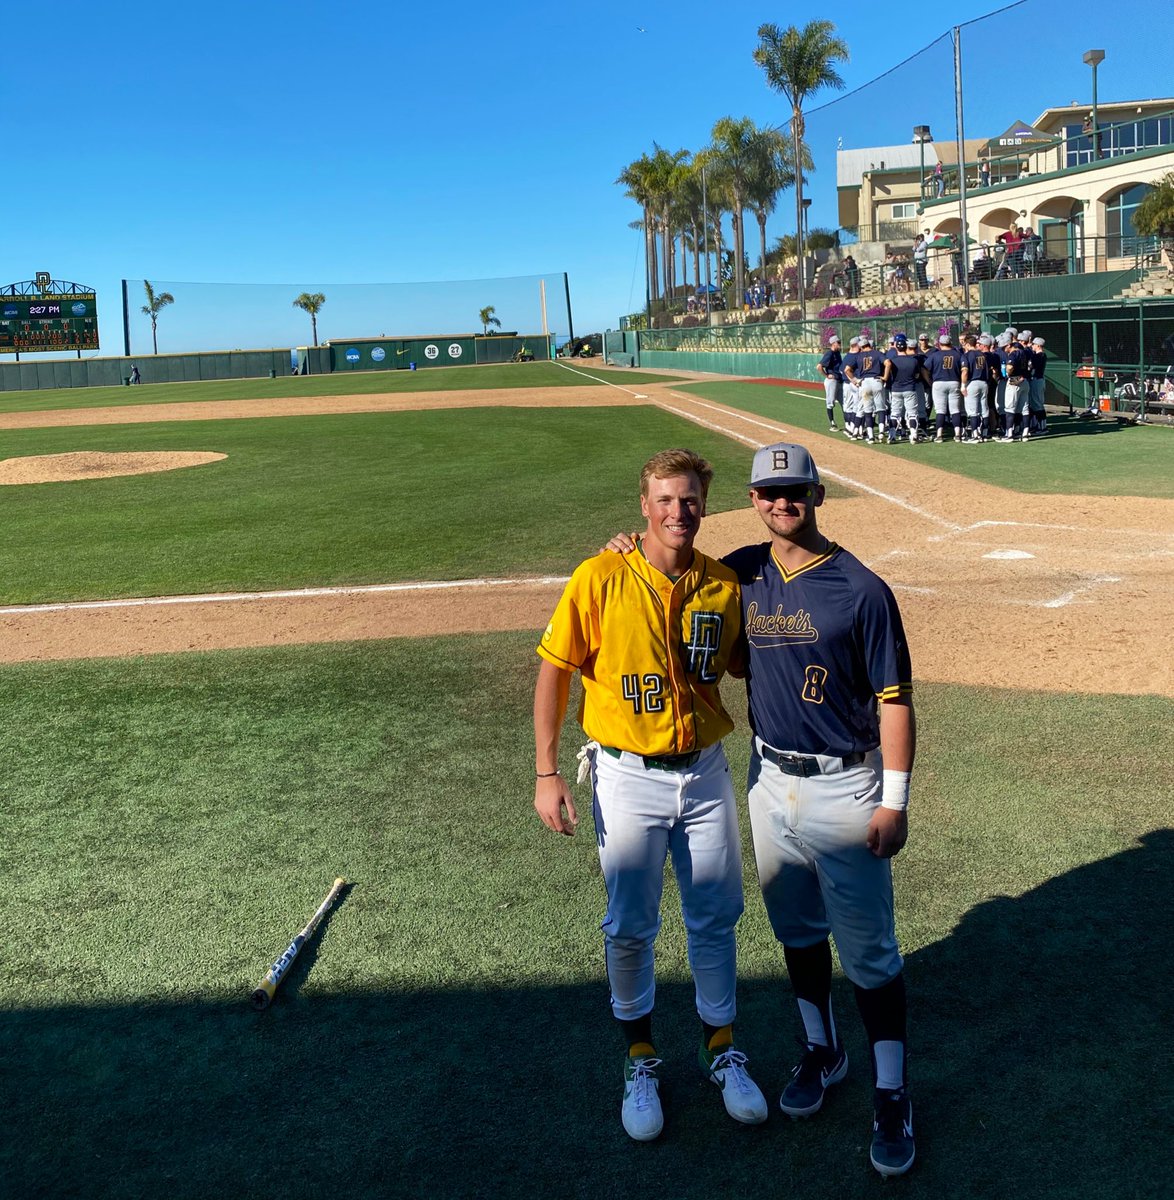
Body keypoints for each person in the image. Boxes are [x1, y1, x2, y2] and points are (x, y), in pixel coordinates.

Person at [606, 442, 919, 1178]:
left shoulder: (862, 589)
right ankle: (822, 1050)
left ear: (817, 494)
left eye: (796, 490)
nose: (783, 502)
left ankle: (893, 1093)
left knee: (870, 953)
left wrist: (894, 800)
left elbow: (895, 701)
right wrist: (623, 548)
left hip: (846, 785)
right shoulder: (742, 572)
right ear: (752, 500)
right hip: (768, 782)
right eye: (770, 492)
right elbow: (672, 571)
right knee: (797, 932)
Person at [534, 448, 768, 1143]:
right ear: (643, 506)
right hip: (626, 774)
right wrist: (546, 772)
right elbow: (554, 671)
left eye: (689, 499)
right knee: (631, 924)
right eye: (664, 499)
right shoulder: (600, 576)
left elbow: (747, 665)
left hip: (704, 771)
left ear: (704, 503)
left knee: (716, 915)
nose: (678, 511)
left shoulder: (723, 584)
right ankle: (639, 1057)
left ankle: (721, 1048)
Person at [883, 333, 928, 444]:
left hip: (896, 389)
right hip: (910, 388)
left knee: (895, 414)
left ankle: (892, 436)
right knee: (912, 414)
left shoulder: (892, 360)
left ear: (896, 347)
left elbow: (889, 374)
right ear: (906, 347)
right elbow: (917, 375)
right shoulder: (913, 361)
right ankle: (914, 435)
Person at [819, 334, 844, 432]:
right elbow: (819, 366)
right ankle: (832, 423)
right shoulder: (829, 353)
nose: (840, 344)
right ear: (833, 343)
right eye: (838, 342)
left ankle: (849, 423)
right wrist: (826, 375)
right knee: (830, 402)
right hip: (832, 381)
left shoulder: (837, 353)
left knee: (844, 402)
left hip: (839, 380)